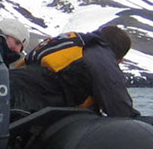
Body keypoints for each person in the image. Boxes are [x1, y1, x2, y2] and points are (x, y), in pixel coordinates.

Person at [11, 22, 142, 118]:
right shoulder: (100, 56)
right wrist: (138, 121)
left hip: (13, 85)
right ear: (118, 57)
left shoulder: (76, 43)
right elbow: (119, 106)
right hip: (26, 100)